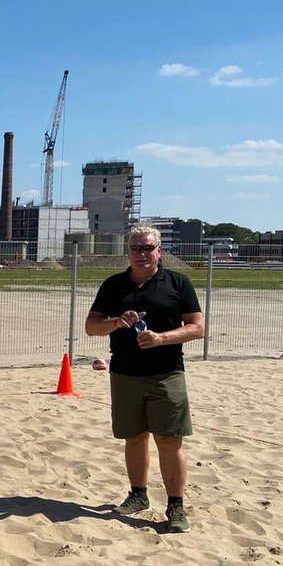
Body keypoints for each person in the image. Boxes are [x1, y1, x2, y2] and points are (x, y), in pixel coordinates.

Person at [85, 225, 205, 533]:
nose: (142, 254)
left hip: (167, 374)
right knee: (134, 437)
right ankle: (138, 495)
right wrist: (115, 322)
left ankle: (176, 505)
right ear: (128, 252)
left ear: (159, 251)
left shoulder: (178, 283)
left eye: (147, 248)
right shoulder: (114, 285)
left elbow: (197, 327)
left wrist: (162, 338)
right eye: (136, 248)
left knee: (169, 439)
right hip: (125, 374)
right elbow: (91, 326)